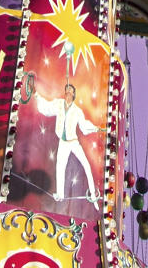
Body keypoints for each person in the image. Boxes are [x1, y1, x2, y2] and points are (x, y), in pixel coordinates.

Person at [18, 73, 103, 203]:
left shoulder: (77, 111)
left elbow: (84, 125)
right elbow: (46, 107)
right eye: (66, 90)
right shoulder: (59, 104)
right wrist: (35, 94)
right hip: (63, 142)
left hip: (73, 142)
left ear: (73, 94)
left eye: (70, 91)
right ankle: (60, 194)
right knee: (60, 166)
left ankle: (92, 193)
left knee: (85, 164)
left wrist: (96, 128)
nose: (67, 92)